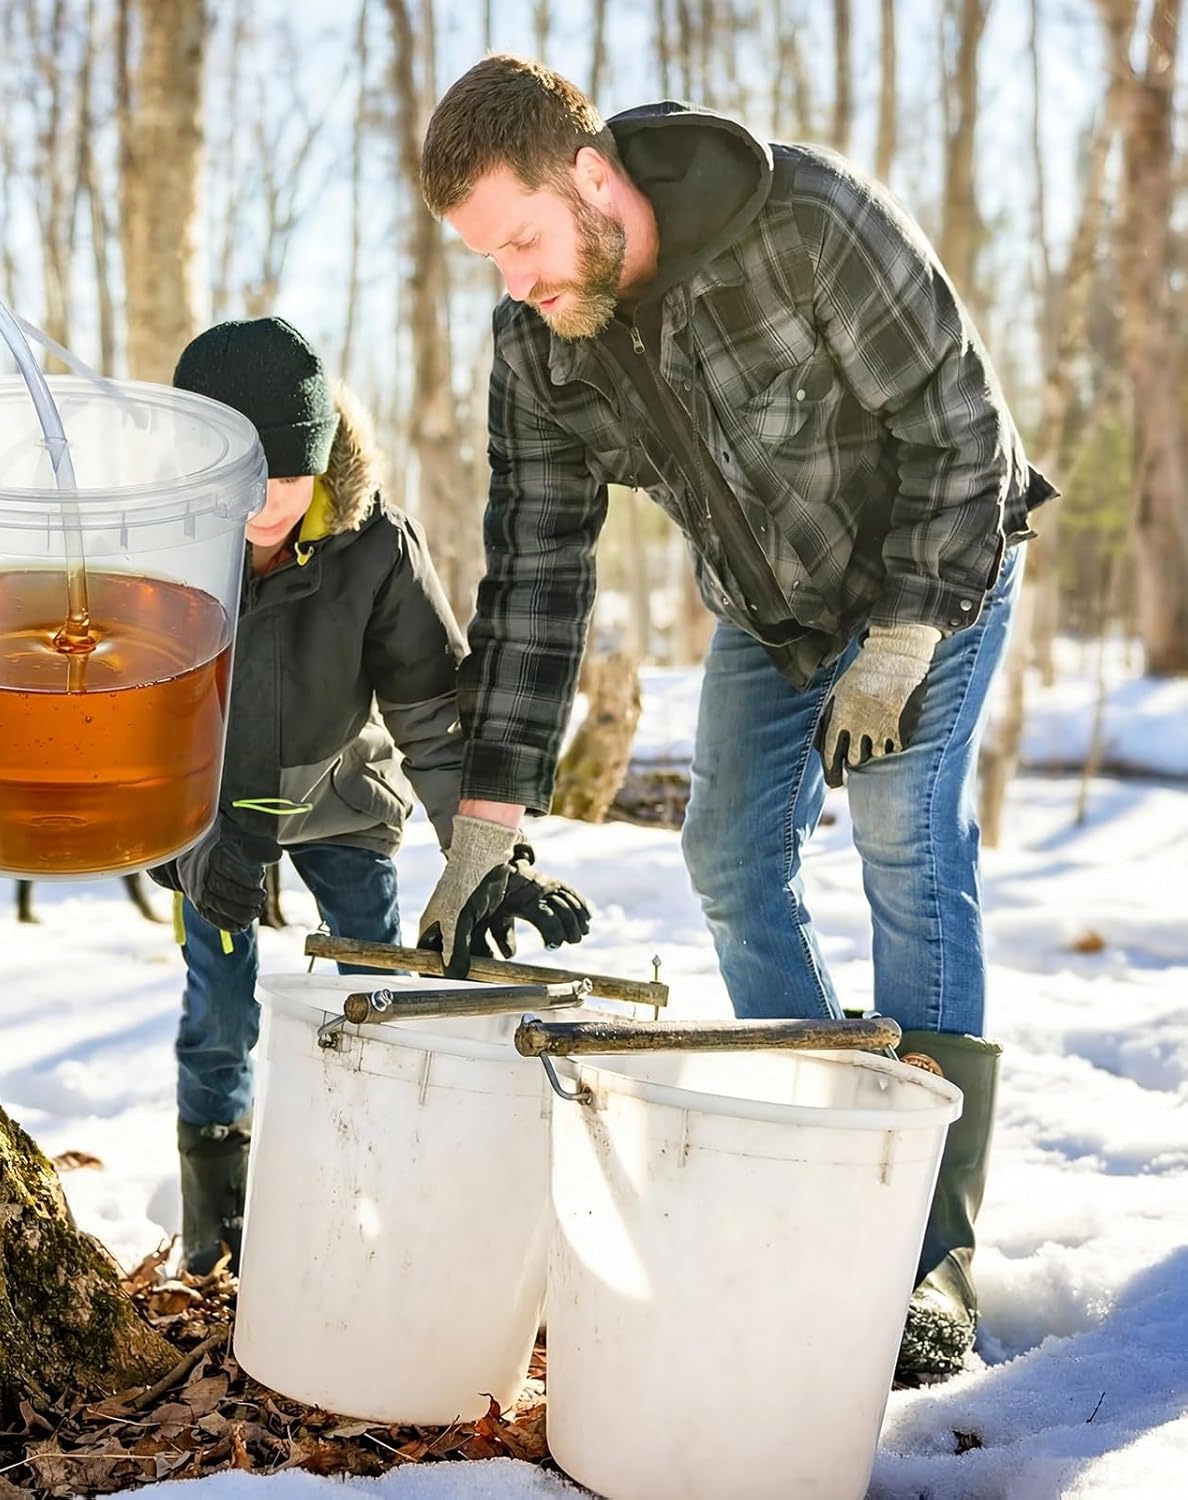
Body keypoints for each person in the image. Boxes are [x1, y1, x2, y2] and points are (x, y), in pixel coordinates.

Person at [413, 55, 1057, 1380]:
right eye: (488, 259)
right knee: (725, 857)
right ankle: (839, 1149)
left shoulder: (803, 222)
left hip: (938, 568)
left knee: (902, 826)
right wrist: (487, 822)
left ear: (592, 180)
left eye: (522, 240)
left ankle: (931, 1247)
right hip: (777, 620)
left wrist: (904, 639)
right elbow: (535, 577)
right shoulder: (539, 345)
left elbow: (960, 427)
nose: (514, 281)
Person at [150, 316, 591, 1276]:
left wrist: (491, 855)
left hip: (342, 799)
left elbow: (433, 718)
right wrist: (183, 850)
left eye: (284, 473)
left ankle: (373, 1184)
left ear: (318, 461)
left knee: (375, 992)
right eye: (237, 473)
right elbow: (128, 722)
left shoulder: (374, 545)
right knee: (219, 1009)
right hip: (210, 819)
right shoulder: (159, 544)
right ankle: (215, 1220)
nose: (261, 499)